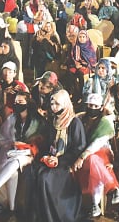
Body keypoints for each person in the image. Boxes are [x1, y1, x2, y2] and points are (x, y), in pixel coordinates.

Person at [0, 91, 46, 218]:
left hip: (33, 154)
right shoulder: (13, 118)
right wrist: (12, 144)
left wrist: (27, 147)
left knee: (17, 160)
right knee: (14, 171)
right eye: (16, 102)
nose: (17, 104)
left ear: (28, 103)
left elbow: (42, 142)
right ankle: (12, 209)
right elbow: (2, 138)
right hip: (15, 153)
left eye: (21, 102)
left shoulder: (37, 121)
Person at [31, 89, 86, 222]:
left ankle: (54, 216)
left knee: (45, 178)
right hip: (52, 159)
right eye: (52, 104)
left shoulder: (74, 123)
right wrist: (45, 155)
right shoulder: (53, 120)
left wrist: (59, 159)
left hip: (66, 162)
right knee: (34, 171)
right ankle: (40, 214)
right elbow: (48, 143)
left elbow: (79, 148)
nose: (54, 108)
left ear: (65, 104)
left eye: (57, 104)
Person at [72, 92, 119, 217]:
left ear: (101, 107)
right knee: (93, 162)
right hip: (85, 154)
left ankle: (96, 204)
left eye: (96, 106)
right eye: (90, 105)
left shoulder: (105, 122)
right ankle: (112, 189)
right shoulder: (80, 118)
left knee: (93, 159)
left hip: (101, 153)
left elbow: (97, 144)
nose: (92, 108)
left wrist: (82, 157)